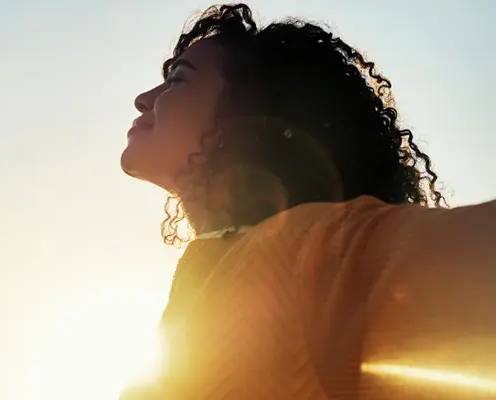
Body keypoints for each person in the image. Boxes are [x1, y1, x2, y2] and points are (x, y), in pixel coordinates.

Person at [119, 4, 496, 399]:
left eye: (178, 80)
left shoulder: (323, 254)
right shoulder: (201, 286)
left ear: (250, 111)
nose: (144, 98)